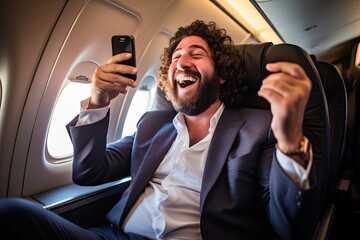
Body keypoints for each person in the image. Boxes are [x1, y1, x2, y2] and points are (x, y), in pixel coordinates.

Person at [0, 20, 318, 240]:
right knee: (13, 212)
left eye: (196, 54)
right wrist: (98, 103)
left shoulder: (257, 126)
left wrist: (290, 141)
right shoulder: (154, 124)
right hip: (115, 235)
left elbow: (288, 225)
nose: (181, 62)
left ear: (221, 75)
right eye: (176, 57)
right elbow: (89, 172)